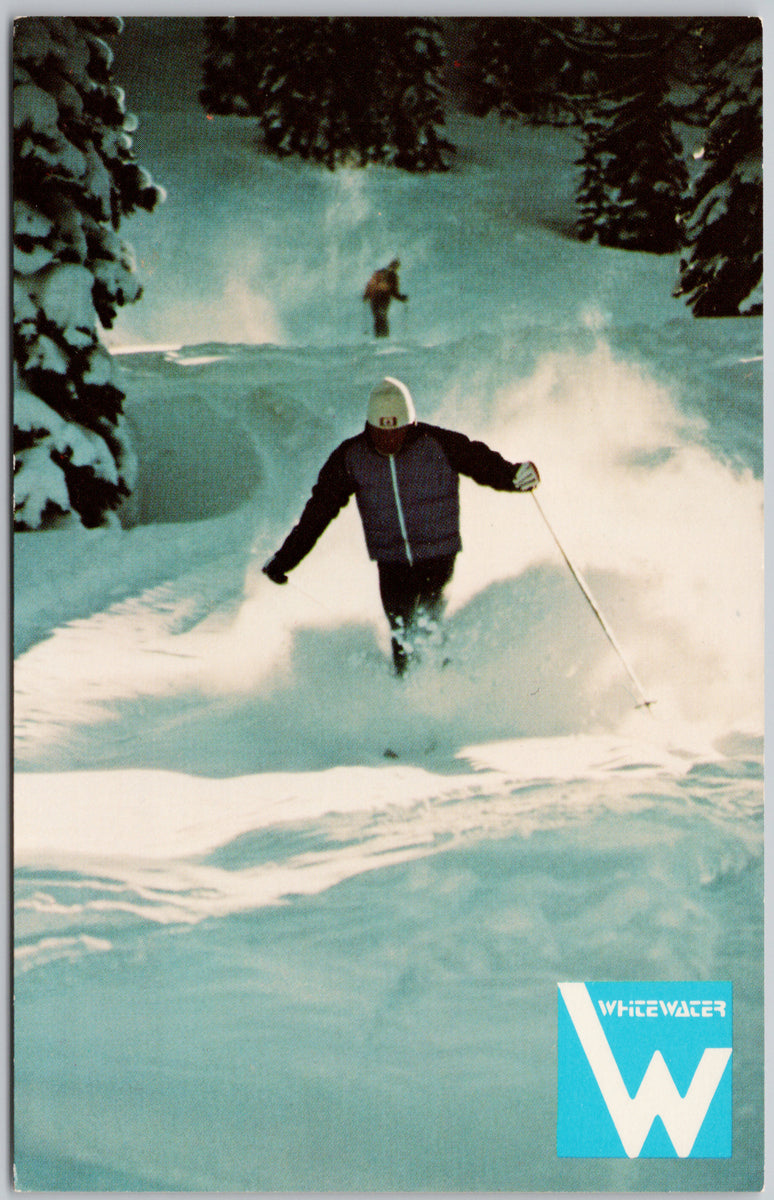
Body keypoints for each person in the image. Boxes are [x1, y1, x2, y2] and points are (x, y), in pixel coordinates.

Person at [263, 377, 540, 675]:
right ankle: (406, 691)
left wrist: (515, 476)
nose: (389, 441)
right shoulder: (351, 457)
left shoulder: (438, 444)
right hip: (391, 560)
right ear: (369, 427)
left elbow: (481, 462)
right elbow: (317, 513)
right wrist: (284, 560)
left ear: (410, 425)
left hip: (438, 553)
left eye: (396, 432)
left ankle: (444, 682)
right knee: (401, 629)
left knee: (429, 621)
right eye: (381, 434)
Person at [362, 258, 408, 337]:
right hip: (384, 298)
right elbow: (393, 292)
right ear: (395, 267)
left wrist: (366, 296)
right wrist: (402, 298)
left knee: (377, 317)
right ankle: (384, 337)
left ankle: (378, 337)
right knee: (382, 317)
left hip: (374, 298)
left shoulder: (378, 273)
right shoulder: (393, 276)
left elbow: (370, 285)